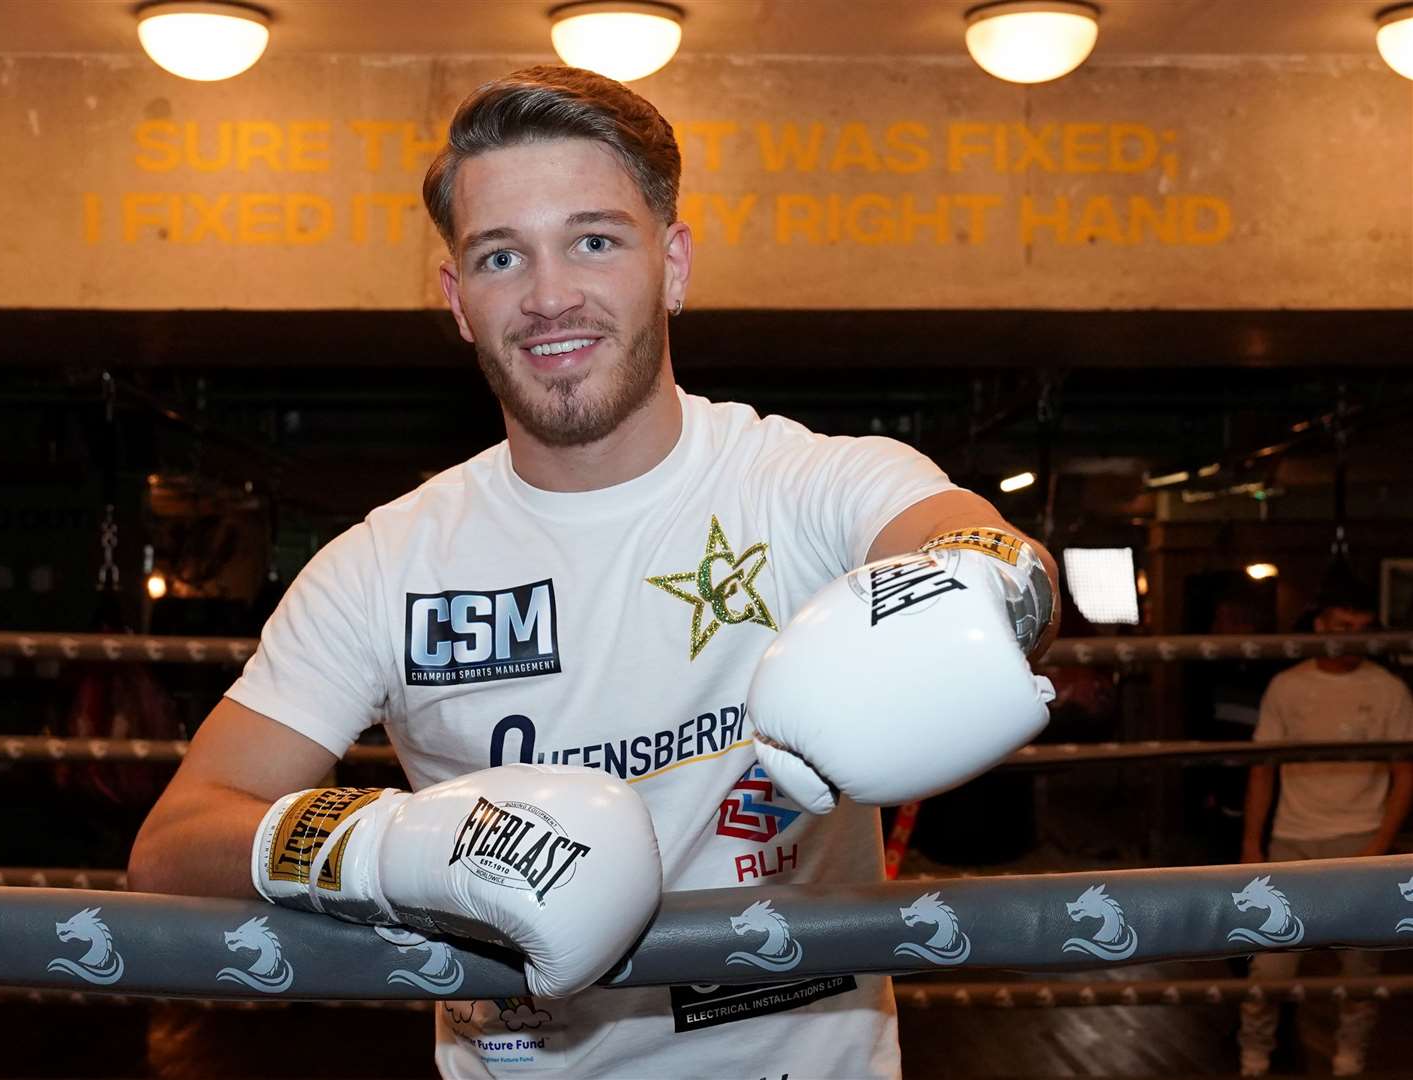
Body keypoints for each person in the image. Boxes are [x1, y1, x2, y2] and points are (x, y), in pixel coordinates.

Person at [128, 64, 1058, 1078]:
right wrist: (395, 847)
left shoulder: (801, 483)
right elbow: (174, 843)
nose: (549, 295)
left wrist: (978, 596)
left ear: (673, 264)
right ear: (457, 301)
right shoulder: (384, 566)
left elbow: (970, 540)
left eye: (595, 239)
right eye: (499, 256)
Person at [1237, 575, 1413, 1078]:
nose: (1351, 636)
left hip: (1361, 839)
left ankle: (1348, 1059)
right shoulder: (1288, 685)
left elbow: (1405, 775)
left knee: (1360, 970)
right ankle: (1254, 1059)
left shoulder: (1388, 689)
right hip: (1292, 840)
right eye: (1342, 626)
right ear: (1320, 626)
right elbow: (1262, 769)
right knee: (1269, 968)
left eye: (1361, 628)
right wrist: (1252, 845)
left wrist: (1380, 845)